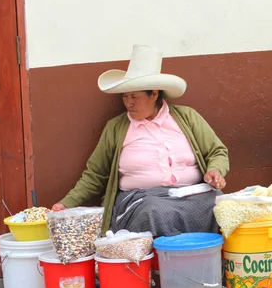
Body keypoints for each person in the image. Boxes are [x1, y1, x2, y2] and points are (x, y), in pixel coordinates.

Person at [51, 45, 229, 236]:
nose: (129, 103)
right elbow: (95, 174)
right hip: (142, 199)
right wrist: (66, 203)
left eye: (134, 96)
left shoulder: (187, 117)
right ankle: (164, 264)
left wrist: (215, 170)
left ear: (153, 94)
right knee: (155, 211)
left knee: (222, 205)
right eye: (125, 97)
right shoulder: (116, 128)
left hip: (191, 194)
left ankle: (206, 259)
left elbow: (217, 152)